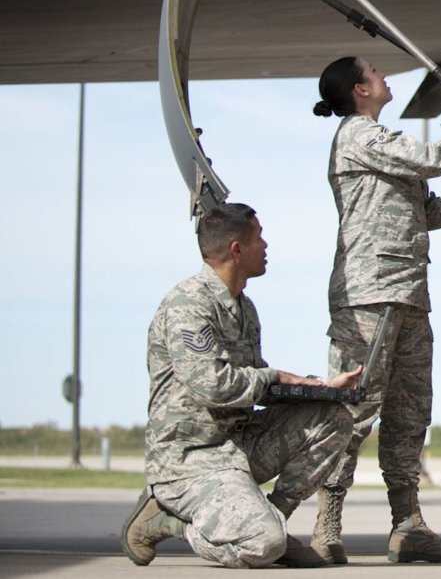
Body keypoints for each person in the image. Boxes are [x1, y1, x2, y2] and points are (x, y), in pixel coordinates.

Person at [308, 56, 441, 564]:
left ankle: (408, 526)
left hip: (406, 292)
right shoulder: (360, 135)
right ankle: (326, 524)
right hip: (369, 293)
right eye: (376, 72)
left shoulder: (383, 145)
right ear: (360, 89)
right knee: (353, 409)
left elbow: (431, 213)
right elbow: (429, 158)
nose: (386, 77)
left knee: (408, 411)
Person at [120, 203, 363, 568]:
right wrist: (274, 376)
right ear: (237, 249)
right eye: (259, 237)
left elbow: (256, 382)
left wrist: (321, 387)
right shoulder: (189, 305)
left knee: (335, 416)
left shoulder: (243, 308)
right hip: (192, 459)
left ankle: (274, 520)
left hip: (238, 444)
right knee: (261, 547)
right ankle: (166, 517)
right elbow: (212, 387)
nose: (265, 245)